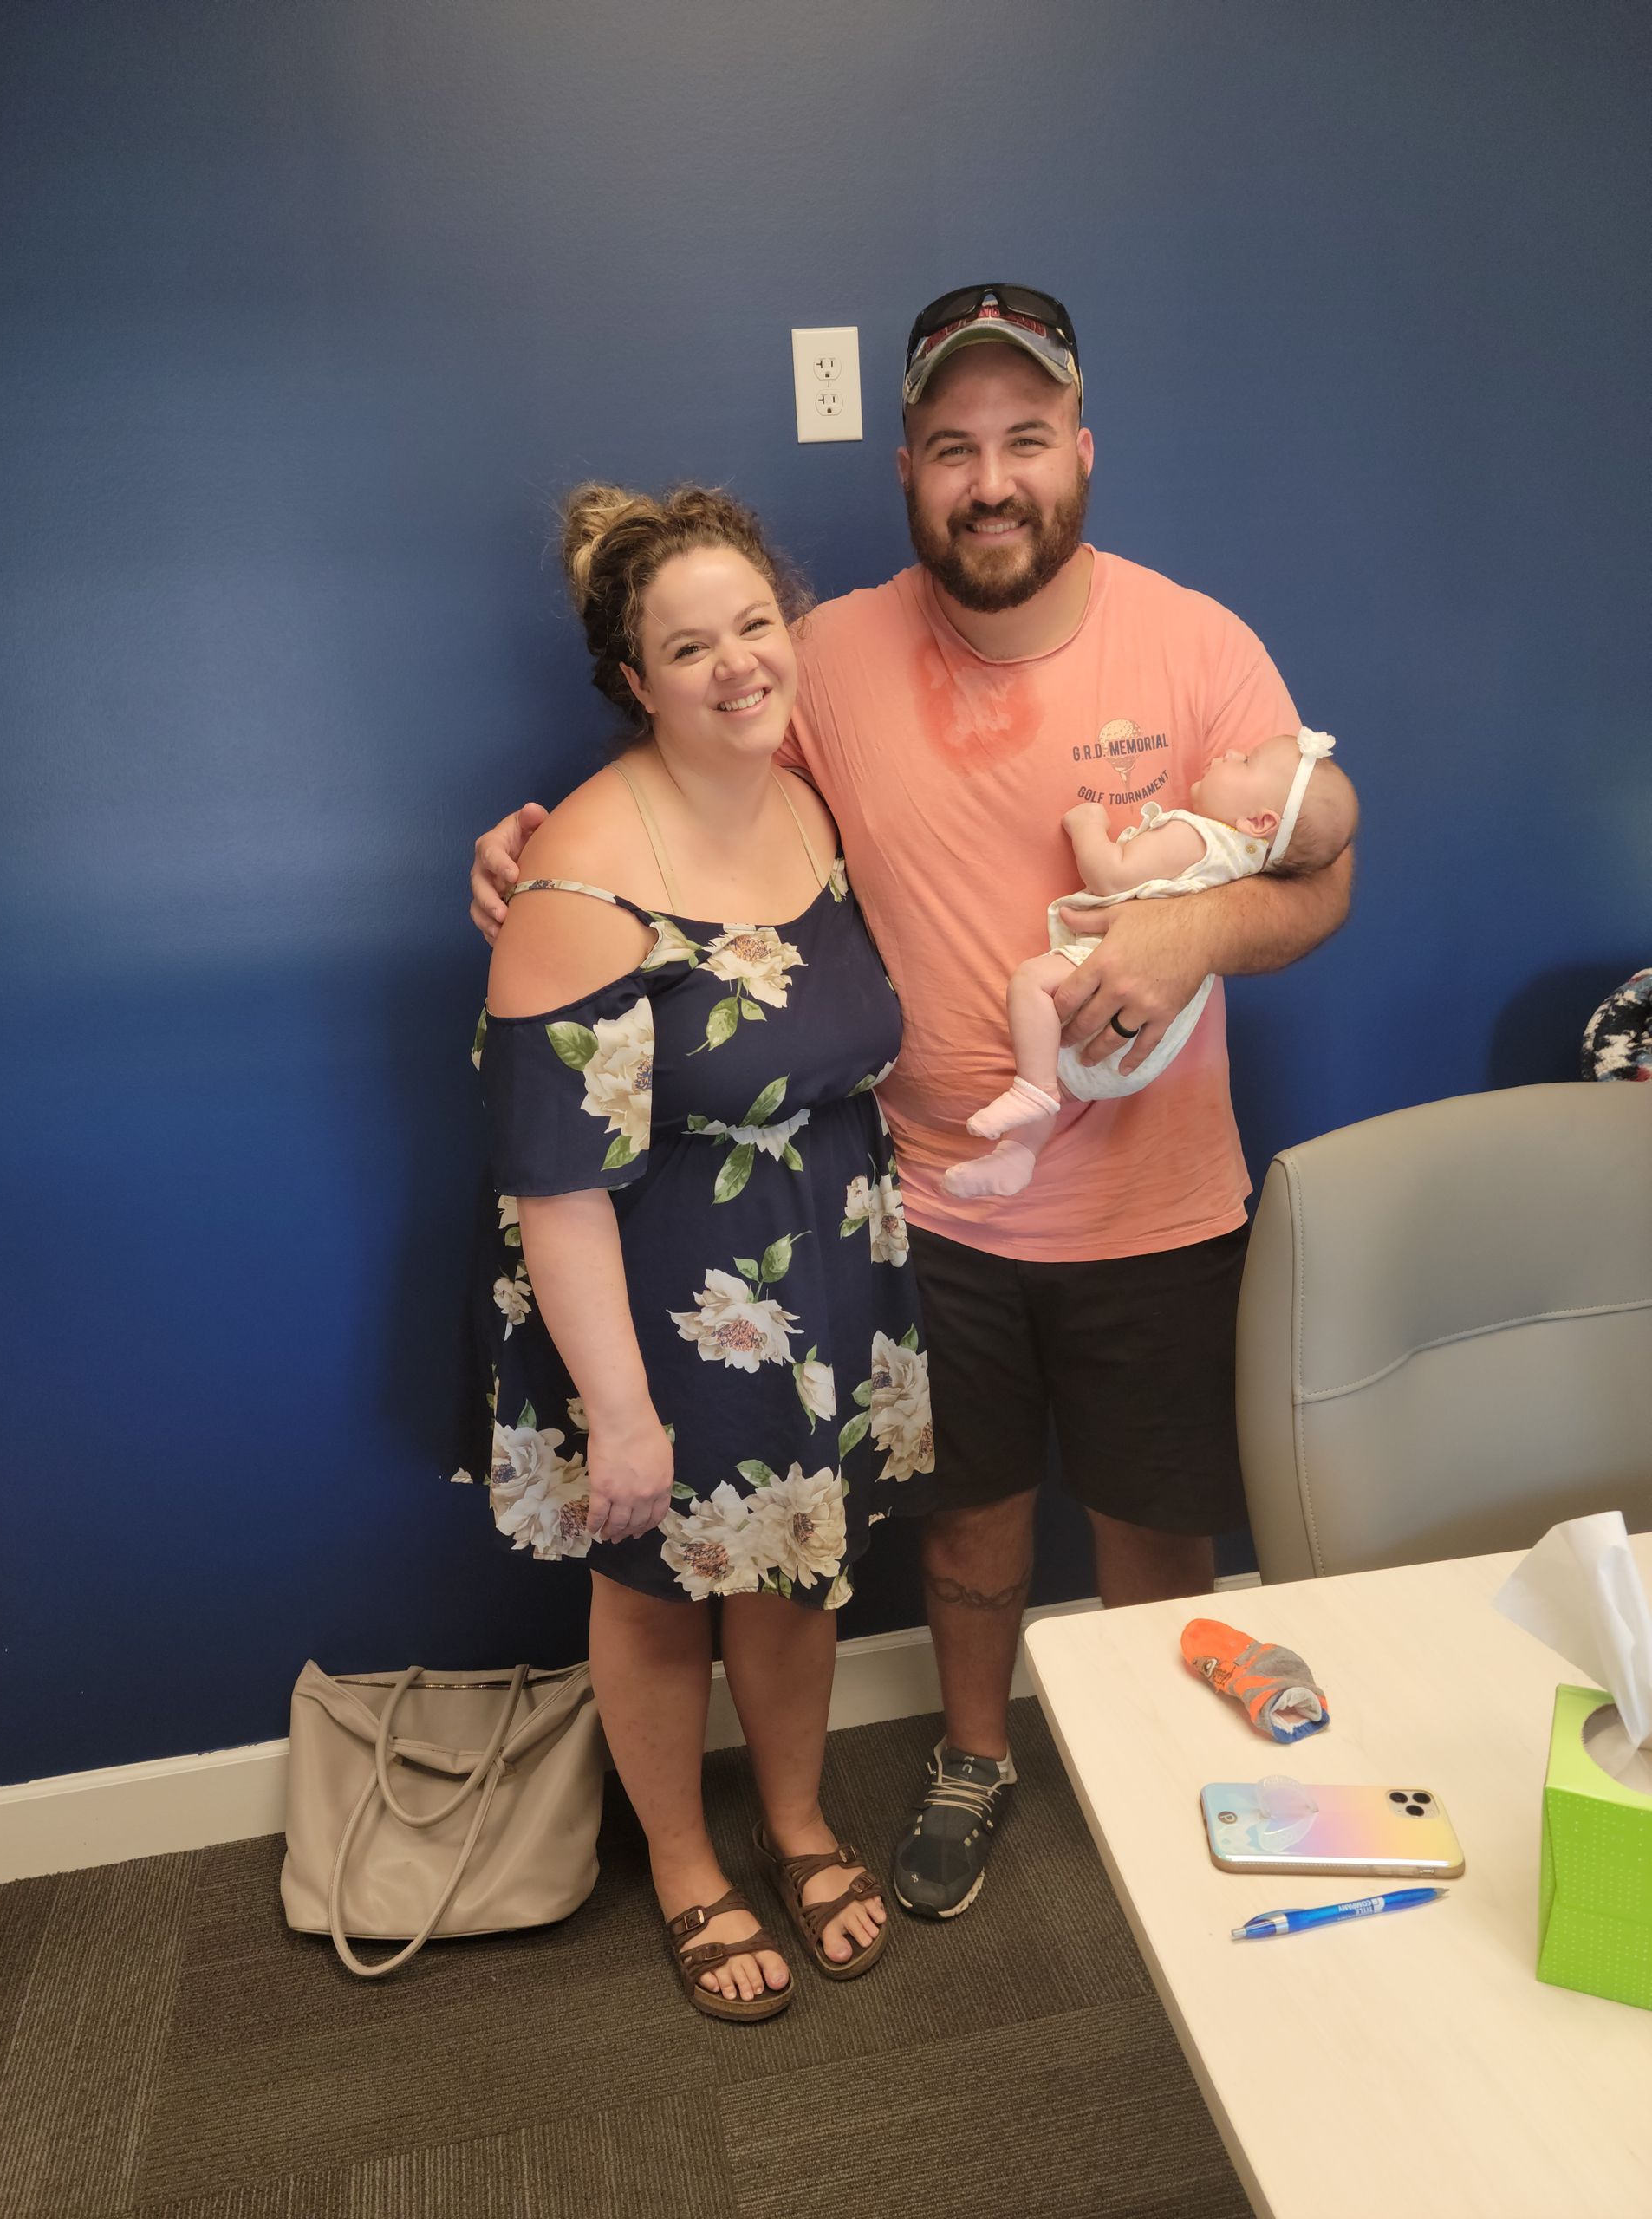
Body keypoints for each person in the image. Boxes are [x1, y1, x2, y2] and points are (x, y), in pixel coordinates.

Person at [470, 284, 1353, 1924]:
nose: (991, 477)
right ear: (905, 471)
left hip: (1162, 1198)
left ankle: (1181, 1781)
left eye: (1026, 439)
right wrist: (536, 858)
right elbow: (693, 775)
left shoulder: (1198, 638)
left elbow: (1320, 871)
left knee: (1162, 1535)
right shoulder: (826, 658)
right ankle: (971, 1753)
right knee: (965, 1539)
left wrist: (1186, 930)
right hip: (929, 1211)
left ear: (1081, 453)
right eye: (956, 447)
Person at [472, 483, 936, 2019]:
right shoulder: (581, 881)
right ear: (632, 681)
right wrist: (617, 1407)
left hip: (829, 1273)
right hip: (665, 1304)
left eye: (755, 625)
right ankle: (685, 1864)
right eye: (691, 646)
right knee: (661, 1590)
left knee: (796, 1575)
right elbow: (552, 1178)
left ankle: (797, 1822)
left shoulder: (805, 792)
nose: (739, 664)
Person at [949, 730, 1358, 1198]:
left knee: (1031, 984)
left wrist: (1086, 824)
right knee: (1059, 1067)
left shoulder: (1196, 835)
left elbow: (1111, 875)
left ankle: (1032, 1091)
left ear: (1260, 820)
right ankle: (1018, 1155)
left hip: (1105, 968)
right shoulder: (1244, 864)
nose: (1228, 753)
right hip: (1148, 1041)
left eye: (1244, 762)